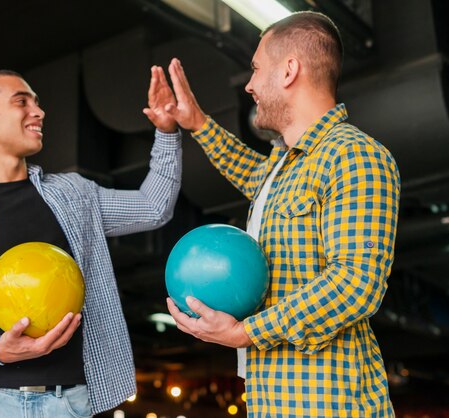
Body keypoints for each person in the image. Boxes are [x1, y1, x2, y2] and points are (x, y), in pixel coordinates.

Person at [0, 68, 182, 417]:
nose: (39, 112)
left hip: (68, 404)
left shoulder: (75, 194)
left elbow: (154, 207)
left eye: (38, 103)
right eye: (21, 102)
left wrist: (166, 131)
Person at [161, 11, 400, 417]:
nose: (250, 84)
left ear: (289, 70)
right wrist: (197, 123)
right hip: (271, 398)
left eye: (255, 69)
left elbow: (356, 282)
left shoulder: (355, 156)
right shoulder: (283, 164)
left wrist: (246, 332)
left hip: (327, 404)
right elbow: (249, 171)